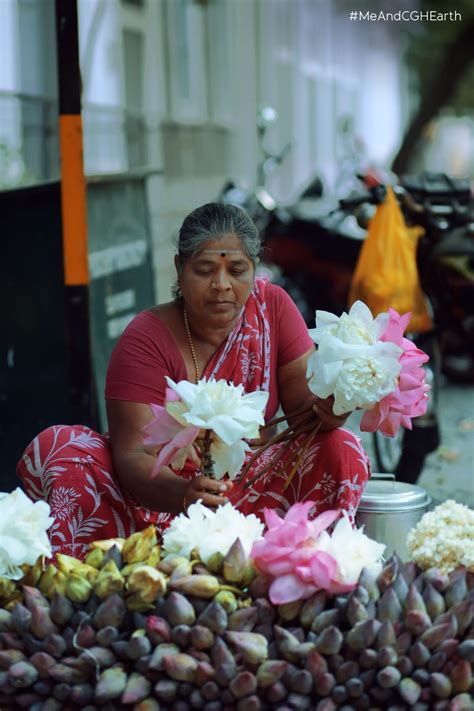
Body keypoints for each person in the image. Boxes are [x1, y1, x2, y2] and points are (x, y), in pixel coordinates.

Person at [17, 203, 370, 559]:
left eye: (236, 270)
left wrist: (335, 404)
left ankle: (309, 566)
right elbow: (134, 454)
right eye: (204, 270)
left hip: (254, 496)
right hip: (159, 501)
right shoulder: (146, 337)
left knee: (340, 445)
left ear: (254, 269)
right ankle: (108, 574)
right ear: (179, 269)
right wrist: (185, 494)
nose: (221, 285)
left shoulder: (272, 308)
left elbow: (304, 416)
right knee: (62, 448)